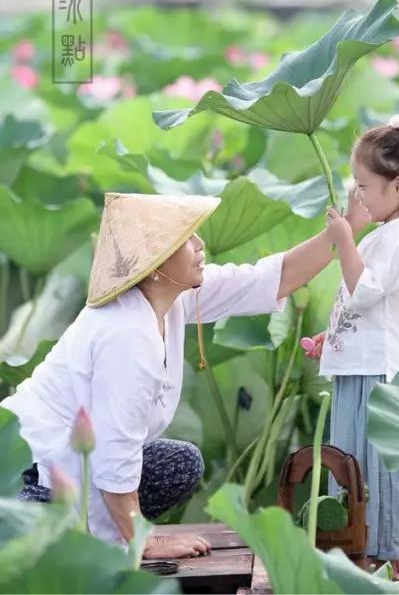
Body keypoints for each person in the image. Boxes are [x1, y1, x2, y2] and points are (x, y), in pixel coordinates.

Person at [2, 190, 369, 558]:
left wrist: (344, 232)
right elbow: (114, 455)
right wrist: (142, 540)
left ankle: (96, 537)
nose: (200, 243)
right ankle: (95, 540)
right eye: (186, 238)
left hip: (81, 467)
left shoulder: (169, 297)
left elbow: (270, 278)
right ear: (156, 261)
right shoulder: (126, 334)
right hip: (28, 476)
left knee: (181, 464)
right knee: (42, 555)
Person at [304, 114, 399, 579]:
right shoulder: (389, 234)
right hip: (366, 365)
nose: (358, 195)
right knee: (354, 460)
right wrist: (334, 337)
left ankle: (378, 544)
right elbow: (370, 308)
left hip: (382, 375)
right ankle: (369, 545)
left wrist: (345, 239)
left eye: (364, 186)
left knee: (372, 465)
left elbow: (364, 290)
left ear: (398, 188)